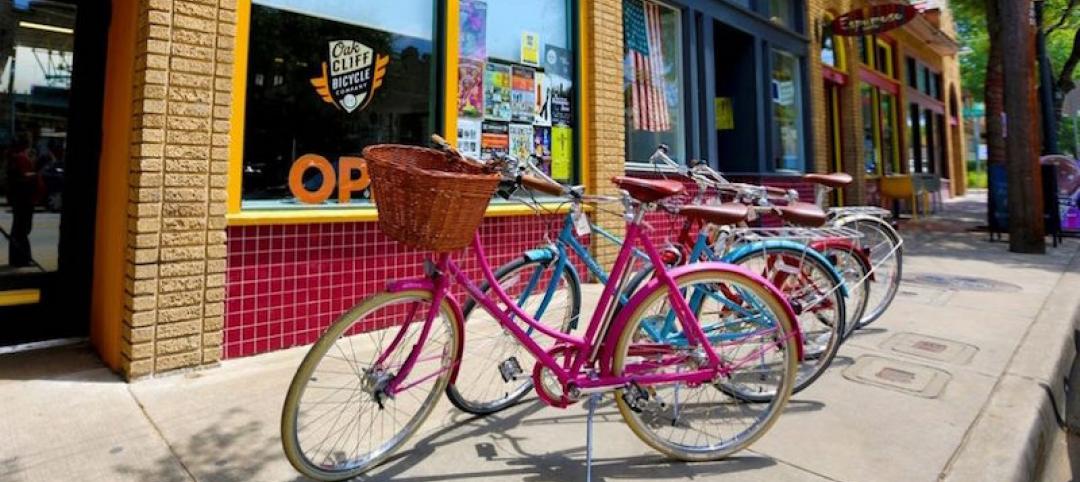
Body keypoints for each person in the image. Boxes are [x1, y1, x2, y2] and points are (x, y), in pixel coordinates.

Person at [6, 133, 37, 267]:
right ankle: (22, 259)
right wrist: (36, 174)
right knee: (22, 230)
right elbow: (23, 177)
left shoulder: (14, 158)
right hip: (24, 199)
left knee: (19, 230)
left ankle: (17, 259)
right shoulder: (20, 158)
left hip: (19, 199)